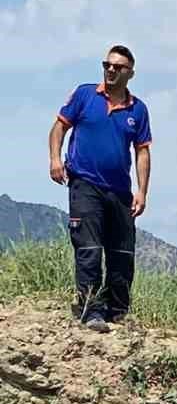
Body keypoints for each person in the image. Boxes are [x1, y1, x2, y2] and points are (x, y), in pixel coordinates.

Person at [48, 45, 152, 331]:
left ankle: (117, 311)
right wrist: (56, 159)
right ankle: (90, 309)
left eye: (118, 67)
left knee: (122, 253)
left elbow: (142, 152)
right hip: (84, 184)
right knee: (89, 249)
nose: (110, 70)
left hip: (120, 191)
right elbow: (59, 128)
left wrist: (142, 191)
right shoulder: (84, 95)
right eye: (107, 64)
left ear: (130, 73)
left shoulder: (138, 109)